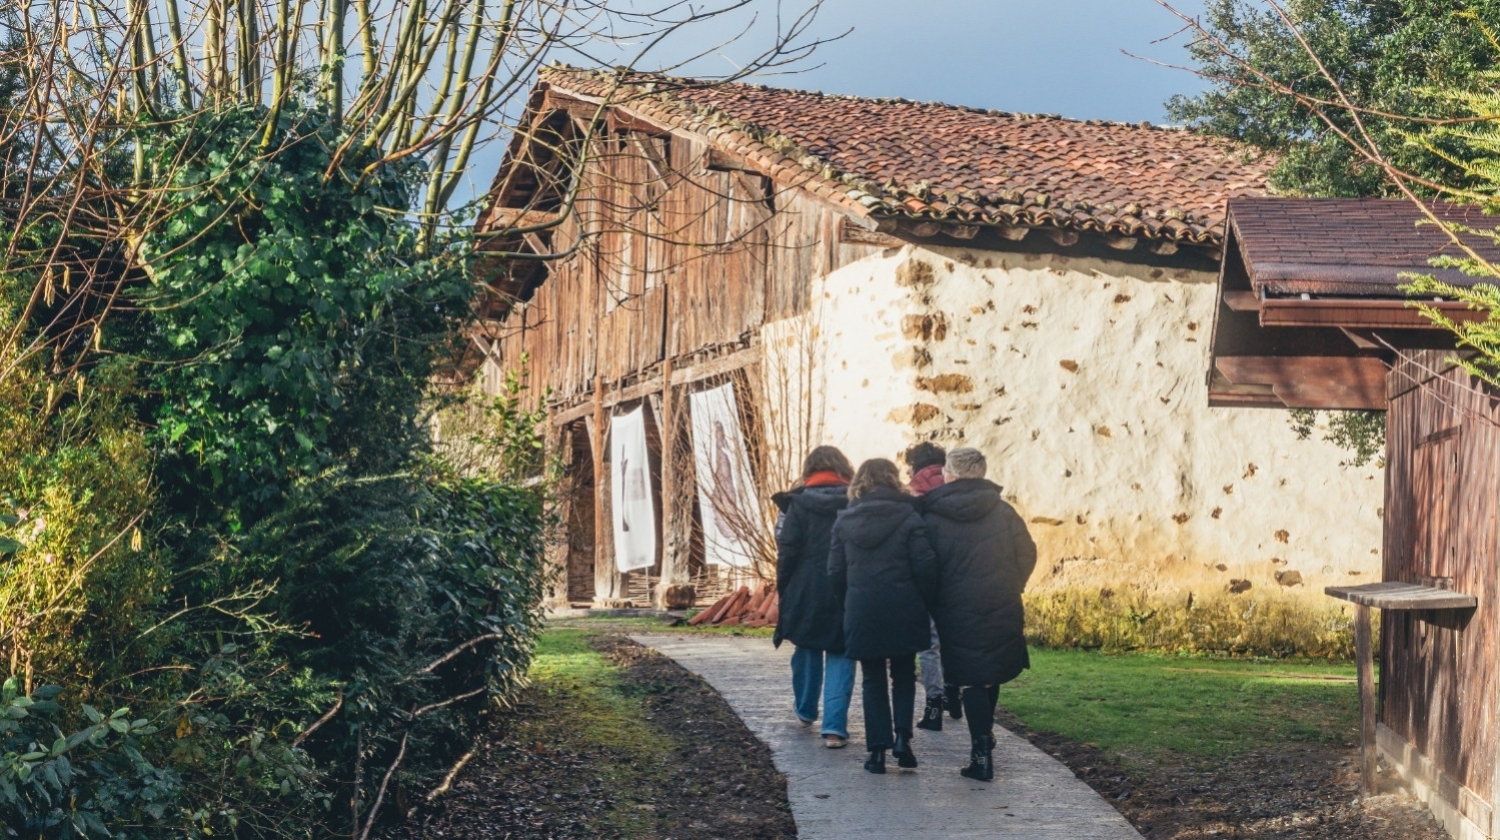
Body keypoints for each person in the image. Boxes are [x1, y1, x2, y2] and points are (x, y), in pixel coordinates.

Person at [916, 447, 1037, 782]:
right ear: (982, 473)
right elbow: (1027, 551)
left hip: (954, 607)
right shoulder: (1003, 511)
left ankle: (981, 754)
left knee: (971, 676)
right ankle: (985, 738)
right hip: (1000, 600)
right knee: (989, 671)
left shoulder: (933, 514)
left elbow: (925, 563)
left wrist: (934, 598)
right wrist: (1015, 584)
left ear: (949, 474)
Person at [829, 459, 938, 774]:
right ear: (893, 481)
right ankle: (903, 738)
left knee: (873, 678)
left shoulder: (845, 521)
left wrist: (848, 601)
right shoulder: (909, 517)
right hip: (905, 606)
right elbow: (925, 565)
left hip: (863, 608)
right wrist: (924, 600)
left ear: (860, 483)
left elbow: (834, 571)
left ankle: (877, 751)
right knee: (904, 675)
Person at [773, 446, 856, 749]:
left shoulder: (797, 504)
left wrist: (784, 588)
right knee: (842, 652)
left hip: (805, 587)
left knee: (806, 647)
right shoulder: (856, 501)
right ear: (844, 468)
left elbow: (786, 549)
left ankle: (806, 710)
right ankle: (834, 730)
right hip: (846, 586)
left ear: (809, 470)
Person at [902, 441, 961, 733]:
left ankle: (934, 705)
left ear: (915, 466)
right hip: (959, 577)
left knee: (929, 644)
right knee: (954, 638)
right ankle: (955, 695)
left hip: (926, 577)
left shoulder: (914, 495)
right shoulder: (957, 489)